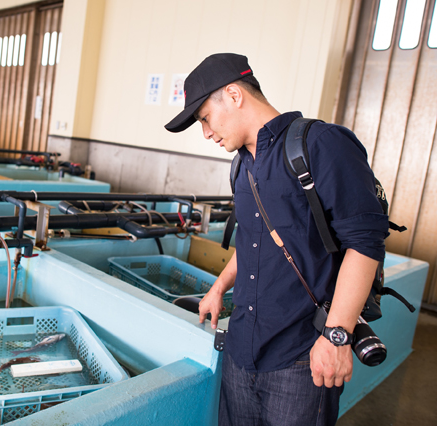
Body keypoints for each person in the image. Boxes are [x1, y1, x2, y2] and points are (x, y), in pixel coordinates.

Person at [165, 53, 389, 426]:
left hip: (301, 359)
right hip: (242, 351)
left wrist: (336, 337)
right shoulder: (242, 164)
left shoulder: (321, 144)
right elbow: (253, 241)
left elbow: (365, 245)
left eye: (205, 117)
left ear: (234, 95)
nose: (206, 133)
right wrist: (219, 287)